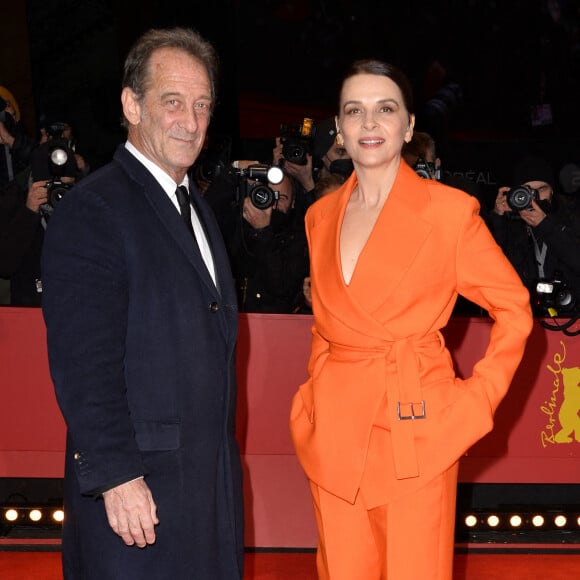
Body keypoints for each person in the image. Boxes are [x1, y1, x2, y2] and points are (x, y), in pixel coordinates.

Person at [289, 59, 533, 580]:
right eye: (355, 111)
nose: (370, 124)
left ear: (409, 125)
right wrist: (313, 394)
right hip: (333, 433)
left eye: (385, 109)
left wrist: (477, 400)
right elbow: (324, 325)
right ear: (339, 127)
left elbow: (514, 308)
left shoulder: (449, 213)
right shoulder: (319, 216)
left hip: (417, 429)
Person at [41, 27, 244, 579]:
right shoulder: (95, 209)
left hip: (206, 494)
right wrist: (115, 476)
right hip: (136, 500)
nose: (191, 120)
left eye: (202, 105)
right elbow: (84, 364)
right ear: (131, 104)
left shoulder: (196, 209)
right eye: (172, 101)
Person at [484, 155, 580, 317]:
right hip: (525, 315)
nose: (535, 197)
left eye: (542, 189)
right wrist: (497, 219)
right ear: (515, 193)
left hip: (572, 315)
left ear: (552, 191)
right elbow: (490, 270)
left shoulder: (571, 218)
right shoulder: (510, 223)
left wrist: (545, 225)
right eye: (527, 191)